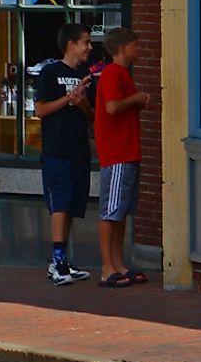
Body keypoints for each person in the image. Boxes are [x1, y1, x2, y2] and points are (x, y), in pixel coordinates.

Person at [30, 22, 96, 285]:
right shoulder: (50, 72)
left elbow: (93, 116)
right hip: (56, 149)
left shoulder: (87, 76)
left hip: (79, 149)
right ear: (71, 44)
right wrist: (68, 99)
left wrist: (81, 104)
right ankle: (56, 262)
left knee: (71, 204)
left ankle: (64, 261)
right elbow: (40, 110)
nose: (89, 47)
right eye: (85, 42)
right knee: (59, 203)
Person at [92, 27, 151, 287]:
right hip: (117, 152)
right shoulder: (113, 73)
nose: (139, 49)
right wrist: (137, 98)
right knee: (111, 211)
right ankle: (107, 267)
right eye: (136, 45)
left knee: (121, 211)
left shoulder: (121, 74)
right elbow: (112, 106)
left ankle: (118, 263)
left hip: (126, 151)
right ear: (123, 48)